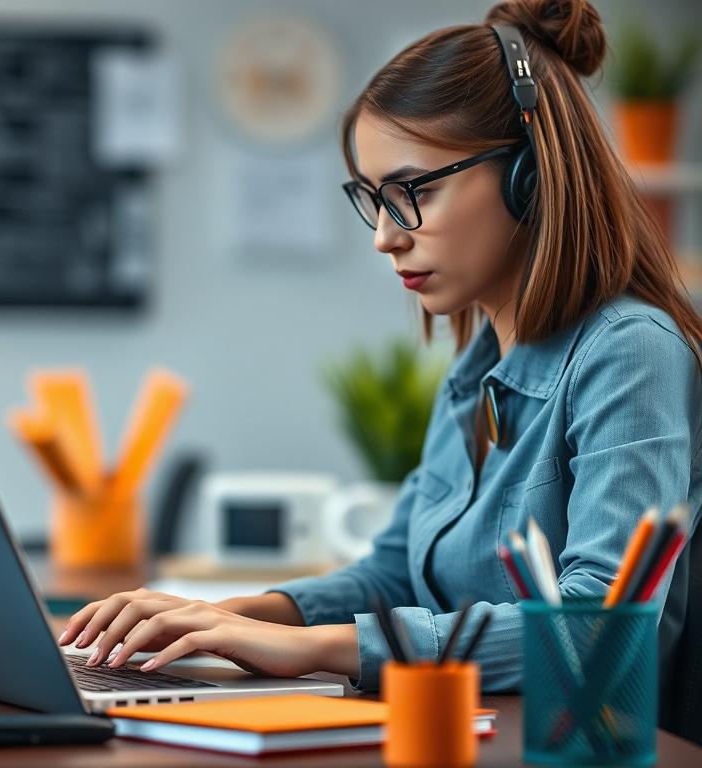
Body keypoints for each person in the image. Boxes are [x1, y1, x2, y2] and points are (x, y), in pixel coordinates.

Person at [56, 0, 702, 693]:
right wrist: (227, 616)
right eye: (373, 198)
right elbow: (395, 573)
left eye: (411, 191)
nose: (385, 236)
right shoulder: (476, 373)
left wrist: (315, 649)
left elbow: (602, 629)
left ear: (529, 179)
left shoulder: (631, 354)